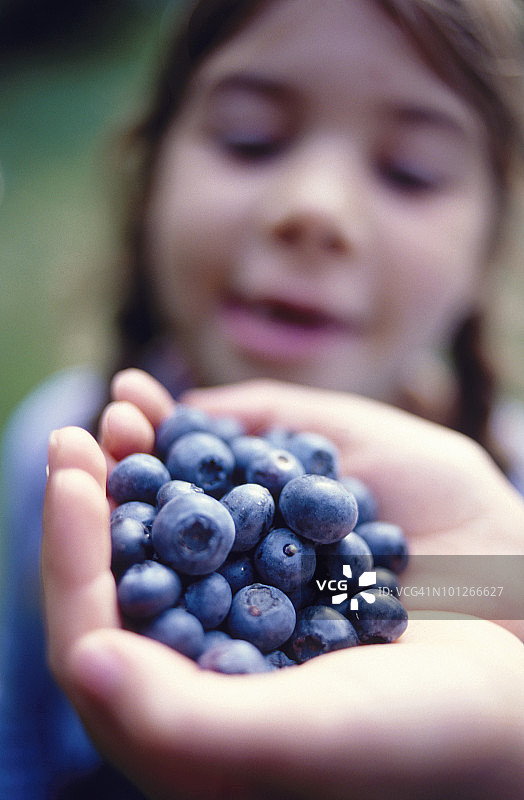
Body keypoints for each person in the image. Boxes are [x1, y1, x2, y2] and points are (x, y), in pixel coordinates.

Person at [2, 0, 524, 796]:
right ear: (150, 179)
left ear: (486, 252)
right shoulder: (58, 454)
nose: (314, 208)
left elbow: (384, 589)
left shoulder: (500, 500)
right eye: (250, 139)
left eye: (410, 171)